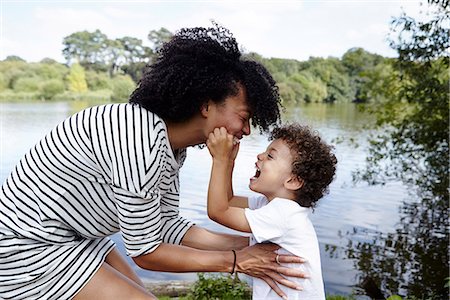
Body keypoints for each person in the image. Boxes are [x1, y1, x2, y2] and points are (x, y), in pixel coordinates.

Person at [0, 24, 307, 300]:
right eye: (243, 117)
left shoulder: (170, 145)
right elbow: (146, 252)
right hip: (25, 248)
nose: (247, 130)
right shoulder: (139, 139)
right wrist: (238, 261)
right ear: (206, 106)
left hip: (73, 239)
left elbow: (165, 225)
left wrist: (254, 243)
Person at [206, 124, 337, 299]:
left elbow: (218, 211)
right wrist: (229, 161)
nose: (260, 156)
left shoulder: (283, 213)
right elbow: (228, 201)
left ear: (293, 181)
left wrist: (220, 160)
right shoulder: (269, 204)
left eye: (270, 156)